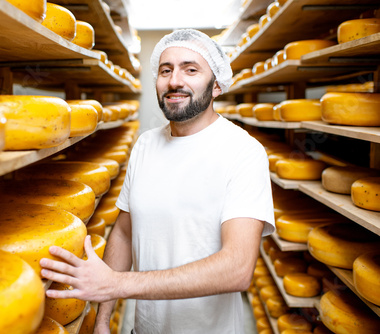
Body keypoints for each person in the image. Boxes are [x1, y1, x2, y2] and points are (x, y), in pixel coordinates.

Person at [40, 29, 275, 334]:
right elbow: (124, 234)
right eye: (166, 70)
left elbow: (237, 269)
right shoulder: (145, 145)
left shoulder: (243, 152)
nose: (175, 81)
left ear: (217, 85)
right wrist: (103, 318)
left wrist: (117, 284)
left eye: (191, 69)